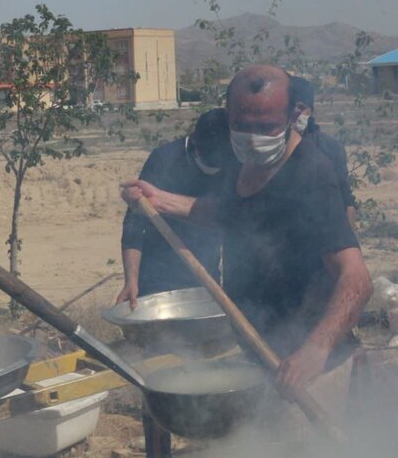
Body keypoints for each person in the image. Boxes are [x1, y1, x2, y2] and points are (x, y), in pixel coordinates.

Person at [122, 65, 372, 430]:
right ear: (229, 116)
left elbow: (357, 278)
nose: (254, 138)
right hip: (259, 350)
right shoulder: (238, 161)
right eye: (244, 126)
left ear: (292, 115)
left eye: (267, 127)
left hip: (309, 364)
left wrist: (314, 352)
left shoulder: (311, 176)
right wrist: (158, 199)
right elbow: (225, 213)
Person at [118, 108, 230, 458]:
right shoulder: (164, 159)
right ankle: (158, 443)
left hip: (204, 283)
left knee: (209, 370)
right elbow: (135, 223)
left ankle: (209, 437)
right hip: (157, 283)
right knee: (159, 375)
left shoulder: (231, 165)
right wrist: (131, 280)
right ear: (194, 144)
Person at [291, 76, 357, 228]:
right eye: (291, 106)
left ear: (311, 111)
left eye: (301, 107)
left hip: (321, 233)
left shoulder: (329, 147)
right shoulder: (269, 148)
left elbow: (346, 200)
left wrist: (350, 244)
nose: (296, 111)